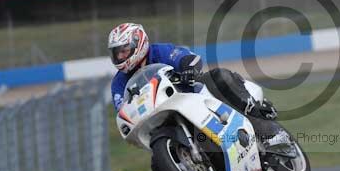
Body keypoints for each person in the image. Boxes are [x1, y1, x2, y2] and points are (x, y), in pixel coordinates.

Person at [108, 22, 278, 121]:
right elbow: (123, 110)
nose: (120, 56)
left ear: (138, 44)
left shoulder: (159, 51)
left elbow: (186, 57)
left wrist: (188, 69)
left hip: (190, 94)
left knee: (218, 76)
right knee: (158, 168)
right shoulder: (118, 82)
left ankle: (256, 110)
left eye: (124, 51)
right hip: (162, 116)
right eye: (117, 53)